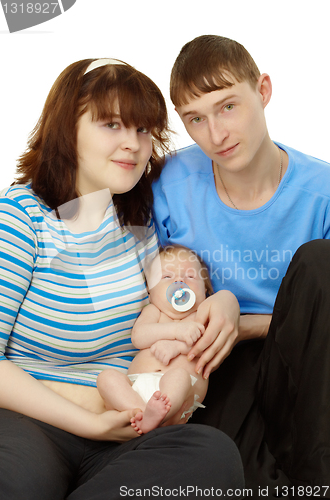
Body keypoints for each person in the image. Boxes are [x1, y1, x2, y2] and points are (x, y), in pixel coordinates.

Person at [0, 57, 245, 500]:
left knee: (213, 454)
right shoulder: (18, 220)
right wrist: (89, 422)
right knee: (16, 483)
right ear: (65, 128)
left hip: (127, 424)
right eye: (112, 125)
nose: (133, 144)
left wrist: (223, 299)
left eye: (143, 129)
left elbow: (173, 303)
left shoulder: (138, 222)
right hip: (34, 423)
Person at [152, 35, 330, 495]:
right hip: (213, 361)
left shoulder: (322, 191)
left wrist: (240, 319)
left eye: (228, 106)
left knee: (320, 262)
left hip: (308, 360)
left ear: (263, 90)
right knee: (230, 475)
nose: (217, 134)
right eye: (196, 118)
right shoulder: (169, 184)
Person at [97, 245, 212, 434]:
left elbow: (207, 345)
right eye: (167, 277)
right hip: (136, 389)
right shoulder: (153, 311)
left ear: (206, 290)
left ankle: (158, 416)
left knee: (179, 376)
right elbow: (139, 337)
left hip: (180, 393)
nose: (179, 280)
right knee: (106, 378)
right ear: (149, 292)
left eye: (190, 276)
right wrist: (176, 330)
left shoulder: (202, 316)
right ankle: (142, 414)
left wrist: (177, 347)